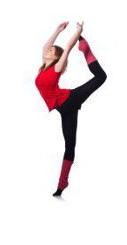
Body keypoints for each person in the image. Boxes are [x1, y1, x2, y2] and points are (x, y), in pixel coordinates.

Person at [35, 22, 106, 196]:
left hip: (70, 99)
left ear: (56, 57)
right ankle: (62, 184)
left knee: (101, 77)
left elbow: (67, 47)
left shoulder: (57, 67)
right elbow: (46, 46)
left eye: (51, 51)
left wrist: (78, 32)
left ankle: (86, 50)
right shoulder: (44, 66)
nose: (47, 50)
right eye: (48, 50)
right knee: (70, 145)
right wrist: (57, 30)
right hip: (65, 110)